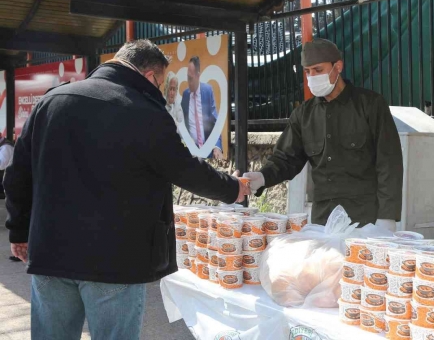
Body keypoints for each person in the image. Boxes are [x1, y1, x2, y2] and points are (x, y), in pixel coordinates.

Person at [4, 39, 250, 340]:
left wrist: (18, 230)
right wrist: (234, 189)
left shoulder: (51, 101)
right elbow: (186, 170)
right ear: (150, 76)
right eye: (161, 83)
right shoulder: (143, 112)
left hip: (50, 254)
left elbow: (17, 175)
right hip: (115, 262)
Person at [244, 38, 403, 229]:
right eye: (307, 71)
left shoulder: (370, 105)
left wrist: (387, 217)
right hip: (323, 220)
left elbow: (389, 163)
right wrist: (262, 177)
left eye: (318, 70)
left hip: (365, 219)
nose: (312, 77)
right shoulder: (303, 114)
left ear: (338, 67)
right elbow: (285, 159)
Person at [181, 56, 223, 159]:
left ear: (198, 76)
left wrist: (217, 146)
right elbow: (182, 124)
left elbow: (215, 122)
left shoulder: (207, 91)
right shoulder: (185, 95)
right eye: (187, 78)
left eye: (191, 78)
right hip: (191, 153)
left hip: (207, 150)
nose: (189, 82)